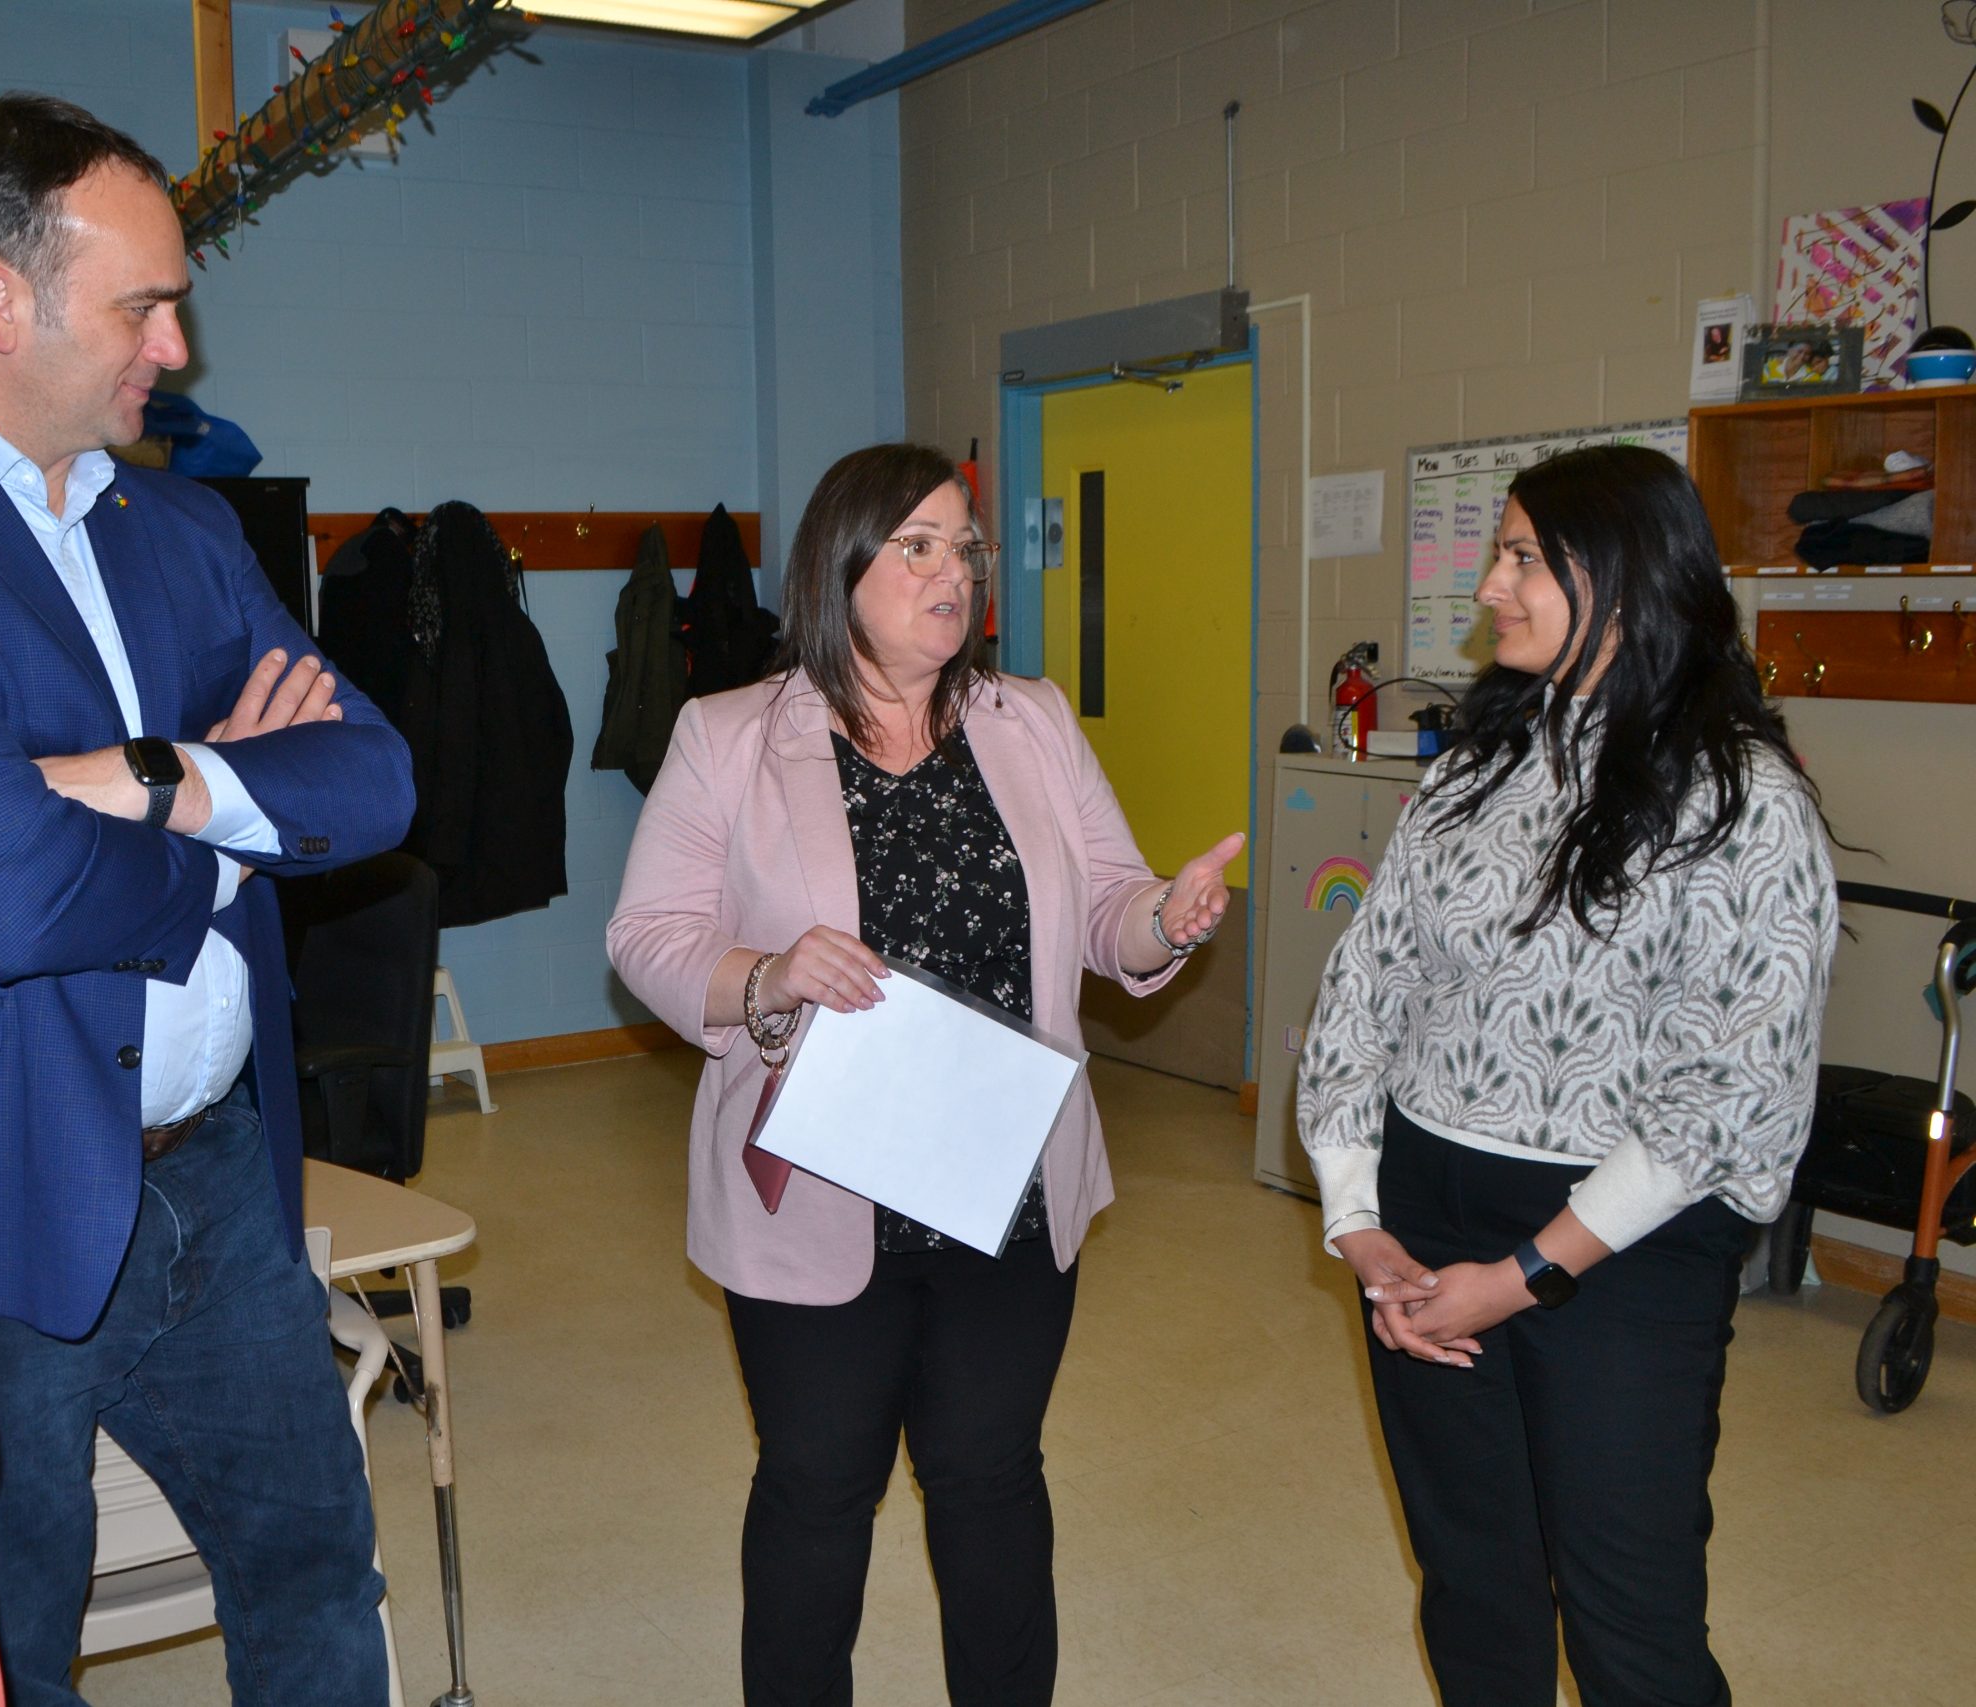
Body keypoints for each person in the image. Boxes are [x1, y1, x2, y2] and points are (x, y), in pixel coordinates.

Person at [0, 95, 412, 1706]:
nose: (179, 346)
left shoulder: (181, 526)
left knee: (317, 1576)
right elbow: (0, 885)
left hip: (221, 1181)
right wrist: (231, 803)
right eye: (145, 302)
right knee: (4, 1649)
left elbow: (377, 779)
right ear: (2, 297)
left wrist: (133, 775)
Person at [608, 443, 1242, 1706]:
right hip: (821, 1183)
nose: (951, 572)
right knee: (815, 1487)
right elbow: (648, 941)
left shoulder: (1035, 721)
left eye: (964, 548)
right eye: (917, 546)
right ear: (839, 567)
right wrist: (771, 974)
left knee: (992, 1478)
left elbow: (1111, 909)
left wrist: (1163, 922)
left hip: (1005, 1181)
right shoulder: (727, 734)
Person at [1297, 444, 1838, 1707]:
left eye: (1525, 558)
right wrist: (1357, 1222)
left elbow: (1724, 1097)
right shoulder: (1469, 772)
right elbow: (1360, 992)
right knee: (1474, 1586)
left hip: (1621, 1255)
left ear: (1625, 576)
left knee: (1625, 1616)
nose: (1490, 585)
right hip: (1429, 1225)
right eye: (1498, 552)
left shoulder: (1744, 802)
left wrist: (1527, 1277)